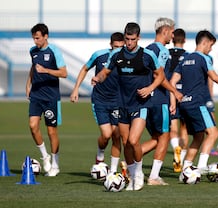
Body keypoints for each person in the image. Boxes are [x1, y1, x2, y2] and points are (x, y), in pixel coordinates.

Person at [91, 22, 164, 191]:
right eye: (127, 39)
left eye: (132, 39)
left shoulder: (147, 55)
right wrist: (97, 78)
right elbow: (105, 72)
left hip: (141, 103)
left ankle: (138, 174)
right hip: (122, 104)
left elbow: (160, 76)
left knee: (133, 140)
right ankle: (131, 177)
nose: (129, 42)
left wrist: (150, 88)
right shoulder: (117, 55)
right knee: (126, 143)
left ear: (138, 38)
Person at [169, 30, 218, 176]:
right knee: (214, 133)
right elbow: (214, 77)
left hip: (184, 104)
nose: (211, 49)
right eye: (211, 45)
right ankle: (201, 167)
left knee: (198, 136)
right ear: (205, 42)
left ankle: (186, 168)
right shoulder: (203, 58)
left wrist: (173, 103)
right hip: (198, 103)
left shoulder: (184, 59)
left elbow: (172, 82)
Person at [70, 32, 124, 173]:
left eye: (121, 46)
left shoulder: (127, 58)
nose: (118, 49)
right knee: (106, 135)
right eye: (115, 46)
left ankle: (112, 172)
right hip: (100, 100)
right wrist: (76, 89)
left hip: (118, 101)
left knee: (116, 135)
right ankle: (100, 154)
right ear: (110, 45)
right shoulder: (99, 55)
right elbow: (85, 68)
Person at [141, 17, 182, 186]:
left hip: (146, 101)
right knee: (165, 136)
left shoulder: (147, 49)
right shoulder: (162, 51)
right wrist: (175, 92)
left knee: (156, 139)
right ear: (165, 31)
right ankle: (154, 177)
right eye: (172, 32)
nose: (173, 36)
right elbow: (160, 76)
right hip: (159, 99)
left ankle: (129, 163)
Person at [26, 23, 67, 177]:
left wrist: (46, 71)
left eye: (37, 38)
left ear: (45, 36)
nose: (35, 41)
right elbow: (33, 67)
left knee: (51, 132)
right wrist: (28, 84)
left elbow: (64, 73)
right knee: (32, 125)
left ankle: (55, 164)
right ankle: (45, 157)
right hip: (36, 95)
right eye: (33, 38)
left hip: (51, 97)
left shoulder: (54, 51)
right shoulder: (33, 51)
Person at [168, 28, 190, 173]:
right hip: (185, 94)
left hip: (170, 93)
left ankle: (175, 146)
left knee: (173, 128)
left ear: (172, 39)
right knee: (184, 128)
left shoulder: (166, 54)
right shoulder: (189, 56)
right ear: (185, 40)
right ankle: (180, 159)